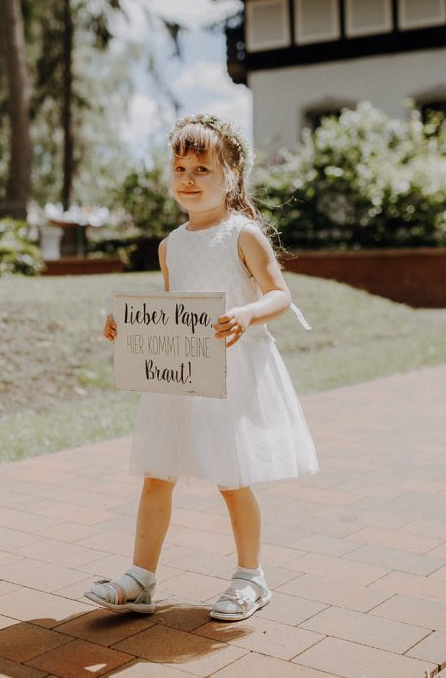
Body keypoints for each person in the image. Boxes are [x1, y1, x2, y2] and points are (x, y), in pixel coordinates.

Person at [85, 114, 318, 622]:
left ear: (231, 175)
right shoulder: (171, 244)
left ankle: (250, 577)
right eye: (180, 167)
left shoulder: (244, 234)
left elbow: (280, 294)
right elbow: (174, 309)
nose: (188, 178)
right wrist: (128, 324)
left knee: (233, 476)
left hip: (233, 373)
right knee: (157, 474)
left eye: (203, 169)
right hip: (180, 376)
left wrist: (248, 312)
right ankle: (141, 578)